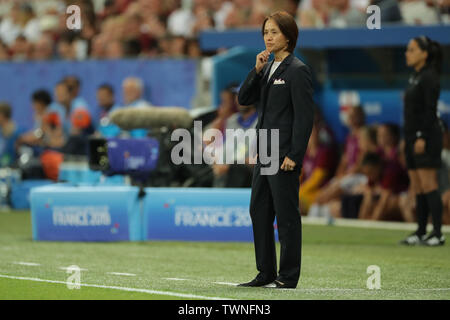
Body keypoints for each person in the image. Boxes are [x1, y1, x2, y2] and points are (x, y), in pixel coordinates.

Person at [237, 11, 314, 289]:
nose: (268, 37)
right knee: (259, 210)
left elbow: (304, 118)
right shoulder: (267, 67)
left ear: (288, 36)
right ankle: (265, 273)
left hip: (283, 155)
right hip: (265, 151)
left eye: (274, 32)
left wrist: (295, 154)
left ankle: (288, 276)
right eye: (265, 32)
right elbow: (243, 98)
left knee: (286, 215)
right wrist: (256, 70)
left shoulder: (298, 70)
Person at [400, 36, 445, 246]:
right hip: (411, 136)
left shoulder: (429, 77)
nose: (407, 54)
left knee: (429, 184)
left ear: (424, 54)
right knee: (417, 186)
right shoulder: (415, 76)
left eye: (411, 50)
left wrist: (421, 136)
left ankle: (437, 232)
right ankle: (420, 231)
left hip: (425, 136)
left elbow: (430, 111)